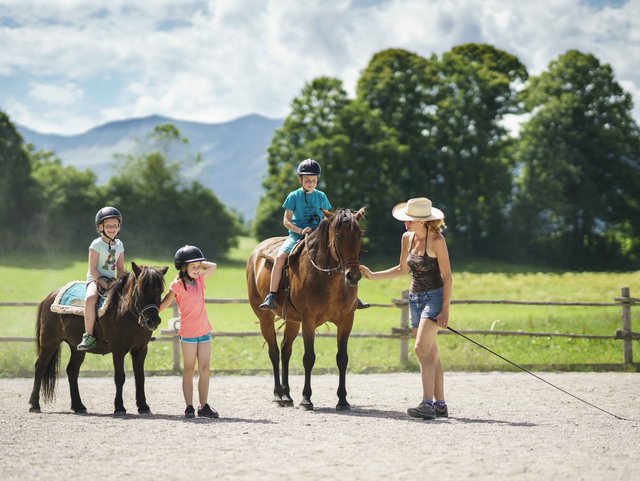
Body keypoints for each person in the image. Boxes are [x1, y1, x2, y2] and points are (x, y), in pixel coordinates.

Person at [359, 197, 451, 420]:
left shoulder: (437, 241)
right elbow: (402, 269)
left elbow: (447, 277)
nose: (405, 223)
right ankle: (440, 405)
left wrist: (445, 310)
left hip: (434, 298)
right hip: (414, 299)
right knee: (431, 353)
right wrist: (373, 275)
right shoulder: (407, 238)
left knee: (420, 349)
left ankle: (427, 404)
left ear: (423, 221)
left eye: (410, 220)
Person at [259, 158, 369, 311]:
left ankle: (352, 297)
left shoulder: (322, 196)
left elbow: (328, 217)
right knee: (280, 258)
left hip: (319, 236)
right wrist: (300, 230)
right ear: (300, 179)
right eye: (307, 180)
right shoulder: (293, 196)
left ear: (317, 180)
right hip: (297, 235)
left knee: (341, 257)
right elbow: (286, 220)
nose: (310, 183)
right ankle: (271, 295)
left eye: (314, 180)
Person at [159, 245, 219, 419]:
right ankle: (189, 407)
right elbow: (162, 306)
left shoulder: (200, 280)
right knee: (189, 369)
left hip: (204, 332)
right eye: (192, 266)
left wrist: (197, 261)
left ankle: (204, 405)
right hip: (188, 335)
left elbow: (213, 266)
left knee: (205, 368)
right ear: (182, 267)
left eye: (199, 265)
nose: (197, 269)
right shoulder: (176, 286)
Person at [77, 206, 125, 351]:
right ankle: (88, 335)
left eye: (115, 225)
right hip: (95, 279)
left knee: (130, 297)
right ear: (100, 226)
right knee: (90, 298)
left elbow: (121, 269)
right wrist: (102, 282)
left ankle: (137, 331)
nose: (112, 228)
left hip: (113, 281)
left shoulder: (120, 245)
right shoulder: (96, 244)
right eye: (108, 225)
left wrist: (121, 284)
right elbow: (92, 269)